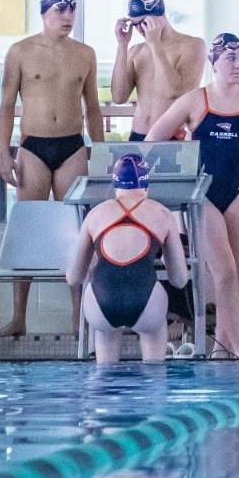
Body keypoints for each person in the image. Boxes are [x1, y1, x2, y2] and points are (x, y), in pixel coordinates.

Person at [147, 34, 239, 358]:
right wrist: (179, 179)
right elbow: (153, 139)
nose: (237, 65)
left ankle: (221, 350)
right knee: (224, 272)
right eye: (230, 59)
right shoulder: (195, 100)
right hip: (203, 195)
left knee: (235, 273)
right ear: (214, 62)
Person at [0, 0, 105, 336]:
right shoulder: (20, 51)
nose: (68, 16)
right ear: (44, 13)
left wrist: (101, 152)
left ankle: (79, 319)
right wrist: (3, 151)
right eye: (60, 9)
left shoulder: (85, 54)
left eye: (72, 9)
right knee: (28, 231)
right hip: (33, 148)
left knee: (77, 235)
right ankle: (18, 317)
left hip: (73, 147)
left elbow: (93, 107)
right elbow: (6, 105)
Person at [66, 153, 190, 363]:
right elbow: (179, 280)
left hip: (101, 300)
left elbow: (73, 277)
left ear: (115, 186)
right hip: (146, 301)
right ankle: (154, 374)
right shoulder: (162, 213)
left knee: (105, 344)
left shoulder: (95, 214)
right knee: (154, 348)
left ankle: (104, 373)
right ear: (146, 186)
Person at [109, 0, 205, 141]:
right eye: (134, 24)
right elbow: (118, 97)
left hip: (171, 137)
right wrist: (122, 45)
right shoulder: (136, 51)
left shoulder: (192, 45)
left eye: (144, 22)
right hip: (137, 136)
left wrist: (155, 45)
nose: (140, 29)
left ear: (160, 16)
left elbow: (174, 93)